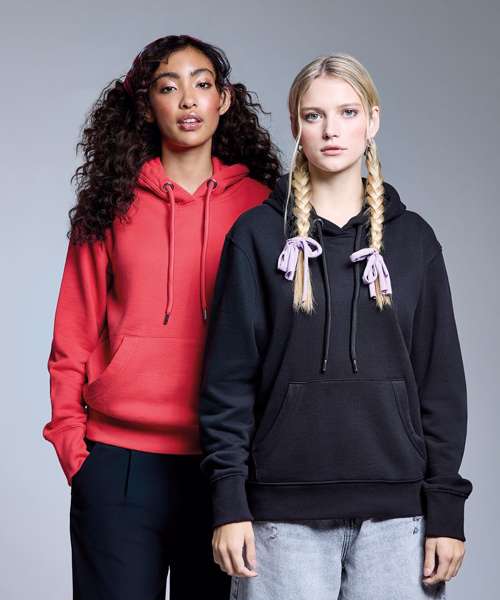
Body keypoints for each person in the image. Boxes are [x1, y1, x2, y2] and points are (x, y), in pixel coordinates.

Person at [198, 53, 473, 599]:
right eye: (314, 115)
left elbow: (441, 384)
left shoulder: (414, 241)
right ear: (296, 125)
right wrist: (229, 502)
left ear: (373, 120)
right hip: (280, 517)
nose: (331, 130)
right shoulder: (256, 237)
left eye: (348, 112)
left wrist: (446, 508)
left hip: (398, 518)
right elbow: (227, 383)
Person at [42, 34, 281, 600]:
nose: (188, 100)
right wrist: (75, 451)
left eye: (203, 84)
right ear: (147, 106)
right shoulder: (112, 203)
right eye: (168, 87)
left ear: (224, 100)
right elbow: (72, 337)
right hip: (118, 464)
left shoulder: (264, 207)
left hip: (227, 466)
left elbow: (284, 336)